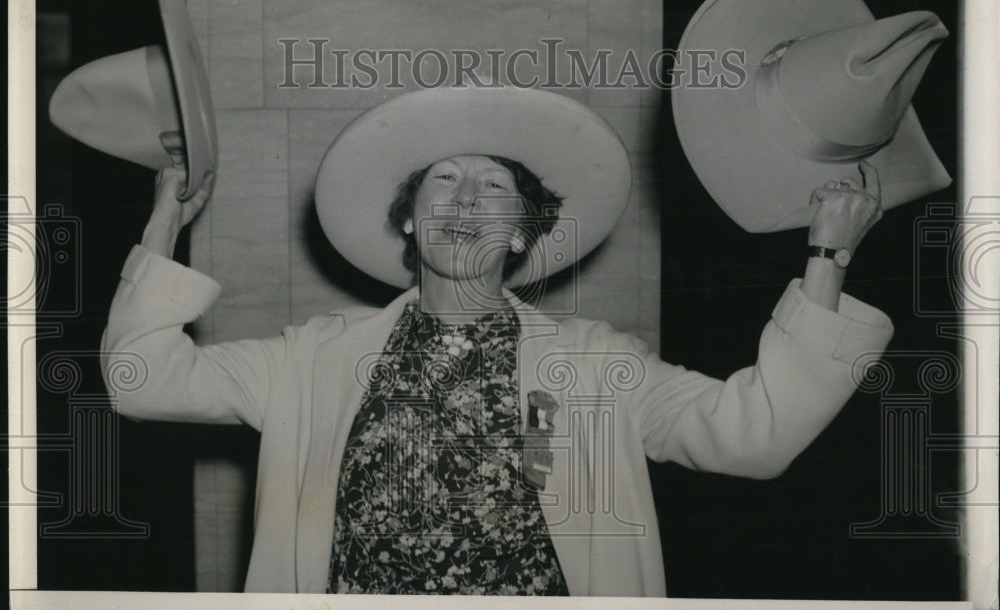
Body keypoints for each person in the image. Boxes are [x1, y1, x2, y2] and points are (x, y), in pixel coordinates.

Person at [100, 86, 894, 596]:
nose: (468, 198)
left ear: (522, 233)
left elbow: (753, 438)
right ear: (411, 218)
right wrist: (163, 223)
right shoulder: (311, 357)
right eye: (444, 178)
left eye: (495, 186)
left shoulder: (594, 363)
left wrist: (827, 260)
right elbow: (142, 381)